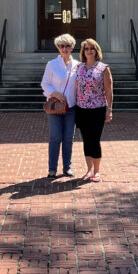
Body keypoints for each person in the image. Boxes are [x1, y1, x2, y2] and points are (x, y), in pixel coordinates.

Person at [40, 33, 79, 179]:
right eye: (62, 46)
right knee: (55, 137)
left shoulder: (77, 65)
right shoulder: (51, 64)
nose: (65, 49)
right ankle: (52, 169)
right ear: (58, 48)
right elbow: (44, 84)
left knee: (68, 137)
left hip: (71, 107)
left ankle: (67, 168)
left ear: (72, 47)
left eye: (67, 46)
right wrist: (55, 94)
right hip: (55, 107)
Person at [74, 38, 113, 182]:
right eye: (86, 49)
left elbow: (109, 90)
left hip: (97, 109)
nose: (89, 51)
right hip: (81, 108)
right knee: (86, 140)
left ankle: (97, 171)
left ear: (96, 51)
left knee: (95, 139)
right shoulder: (79, 67)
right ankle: (88, 170)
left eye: (92, 48)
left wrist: (109, 109)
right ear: (83, 52)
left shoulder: (103, 68)